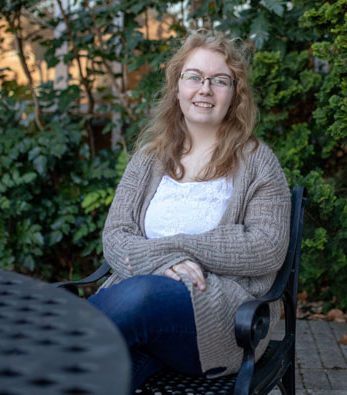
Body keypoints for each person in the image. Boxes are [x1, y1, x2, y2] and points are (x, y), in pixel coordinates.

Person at [88, 31, 291, 392]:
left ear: (235, 94)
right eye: (194, 76)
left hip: (219, 317)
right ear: (177, 86)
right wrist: (164, 263)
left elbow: (267, 246)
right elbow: (115, 237)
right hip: (141, 316)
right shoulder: (148, 158)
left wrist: (175, 251)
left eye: (220, 80)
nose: (205, 89)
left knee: (142, 295)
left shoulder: (258, 161)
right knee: (103, 373)